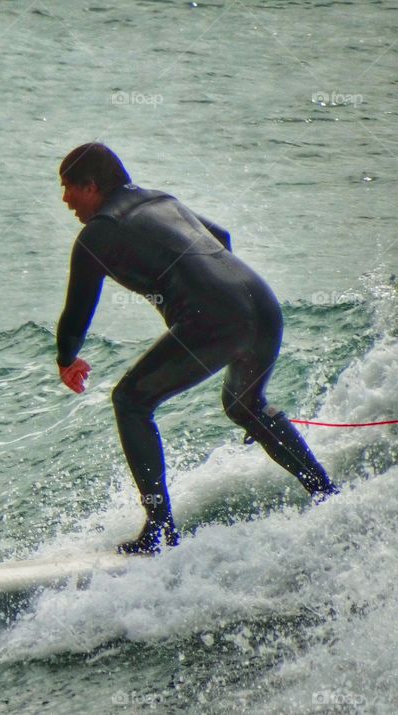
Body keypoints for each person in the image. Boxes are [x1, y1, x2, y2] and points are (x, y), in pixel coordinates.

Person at [55, 143, 339, 555]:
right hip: (262, 304)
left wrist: (66, 359)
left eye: (68, 189)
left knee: (130, 401)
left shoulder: (97, 233)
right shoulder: (162, 200)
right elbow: (221, 237)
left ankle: (160, 532)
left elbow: (77, 311)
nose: (65, 200)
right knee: (244, 407)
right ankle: (327, 494)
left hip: (215, 321)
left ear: (91, 186)